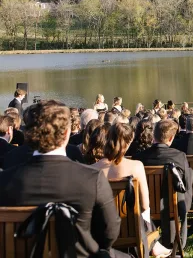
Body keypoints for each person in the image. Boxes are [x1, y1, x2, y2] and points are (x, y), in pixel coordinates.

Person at [0, 100, 124, 258]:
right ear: (66, 134)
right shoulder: (92, 179)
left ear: (28, 134)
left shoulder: (3, 180)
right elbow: (110, 233)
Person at [93, 119, 172, 257]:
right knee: (143, 219)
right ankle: (154, 245)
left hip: (101, 230)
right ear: (128, 143)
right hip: (130, 229)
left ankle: (155, 246)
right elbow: (145, 205)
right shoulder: (136, 166)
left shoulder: (91, 169)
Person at [133, 120, 193, 250]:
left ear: (154, 136)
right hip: (171, 207)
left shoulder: (139, 158)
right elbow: (186, 185)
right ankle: (178, 237)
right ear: (171, 138)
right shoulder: (179, 156)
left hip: (147, 207)